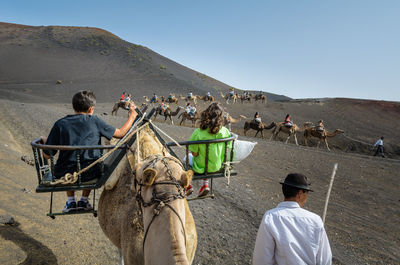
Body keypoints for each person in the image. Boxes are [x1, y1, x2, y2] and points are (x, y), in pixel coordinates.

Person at [42, 91, 137, 213]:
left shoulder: (60, 124)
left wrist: (46, 142)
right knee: (90, 160)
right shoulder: (96, 121)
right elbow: (120, 133)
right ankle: (84, 200)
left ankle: (71, 201)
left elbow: (47, 155)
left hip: (63, 173)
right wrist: (132, 116)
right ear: (91, 109)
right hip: (91, 172)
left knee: (68, 161)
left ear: (73, 107)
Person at [253, 173, 332, 265]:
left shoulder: (270, 217)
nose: (306, 198)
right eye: (306, 193)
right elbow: (325, 260)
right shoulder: (315, 220)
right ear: (300, 193)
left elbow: (262, 259)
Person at [187, 102, 232, 197]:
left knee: (185, 159)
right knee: (208, 161)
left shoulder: (198, 132)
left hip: (200, 167)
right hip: (217, 165)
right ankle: (205, 185)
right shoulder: (225, 131)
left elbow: (194, 154)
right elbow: (227, 148)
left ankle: (188, 185)